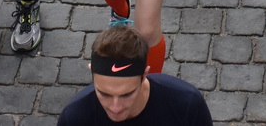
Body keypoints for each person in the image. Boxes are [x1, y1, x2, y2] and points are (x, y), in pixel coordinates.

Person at [57, 26, 213, 124]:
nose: (115, 107)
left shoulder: (186, 104)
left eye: (126, 95)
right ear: (91, 72)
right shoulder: (74, 118)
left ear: (144, 75)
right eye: (104, 94)